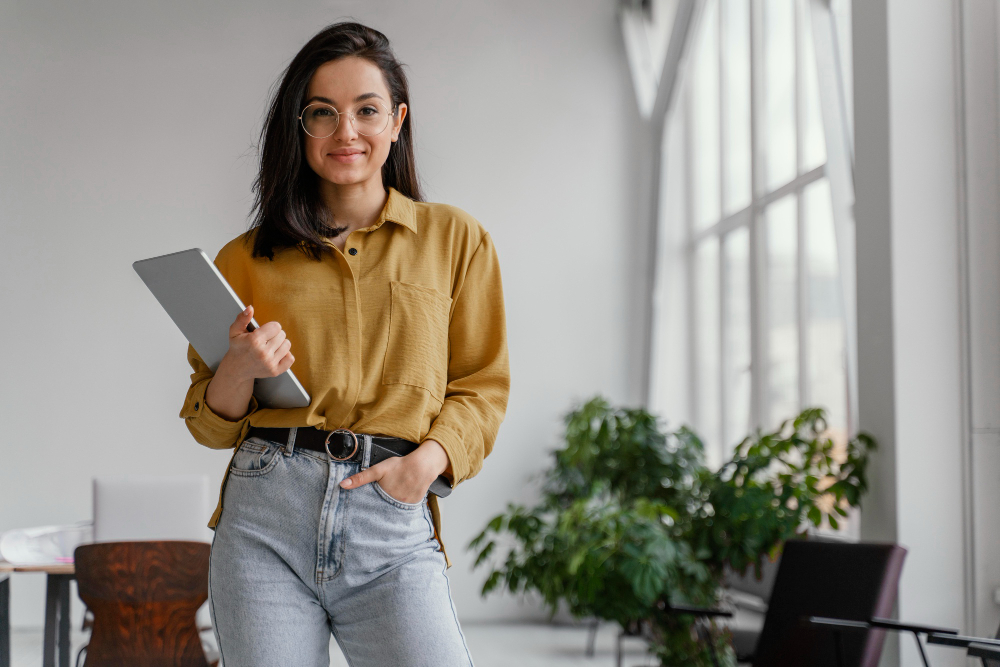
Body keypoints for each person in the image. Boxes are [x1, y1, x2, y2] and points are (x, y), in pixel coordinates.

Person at [178, 21, 509, 666]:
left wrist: (426, 464)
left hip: (390, 513)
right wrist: (239, 371)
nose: (345, 132)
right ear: (298, 127)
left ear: (398, 121)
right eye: (322, 113)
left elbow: (481, 386)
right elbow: (211, 426)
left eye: (366, 110)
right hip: (263, 518)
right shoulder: (244, 259)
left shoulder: (456, 240)